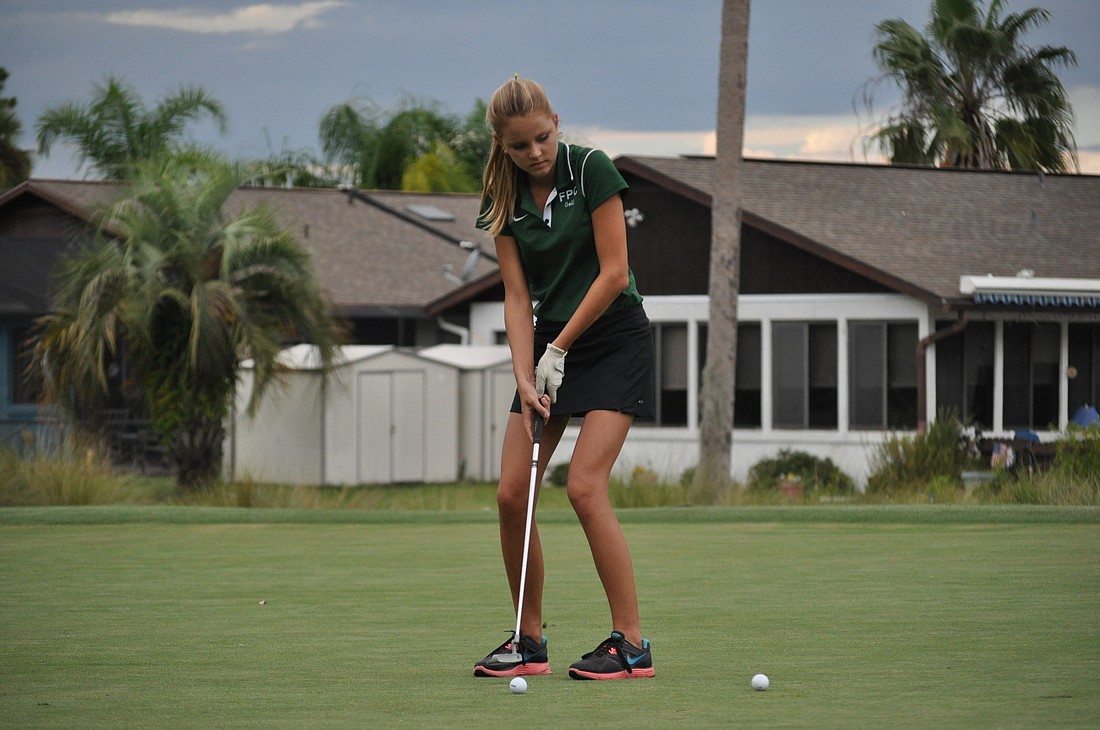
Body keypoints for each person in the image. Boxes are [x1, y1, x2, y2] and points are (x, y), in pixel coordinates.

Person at [471, 76, 656, 681]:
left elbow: (613, 272)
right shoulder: (501, 199)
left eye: (543, 138)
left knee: (583, 485)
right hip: (550, 348)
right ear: (502, 144)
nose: (537, 154)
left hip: (613, 336)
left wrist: (558, 348)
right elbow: (516, 292)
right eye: (521, 146)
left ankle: (630, 644)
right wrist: (525, 376)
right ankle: (529, 639)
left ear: (556, 121)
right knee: (509, 492)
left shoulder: (592, 170)